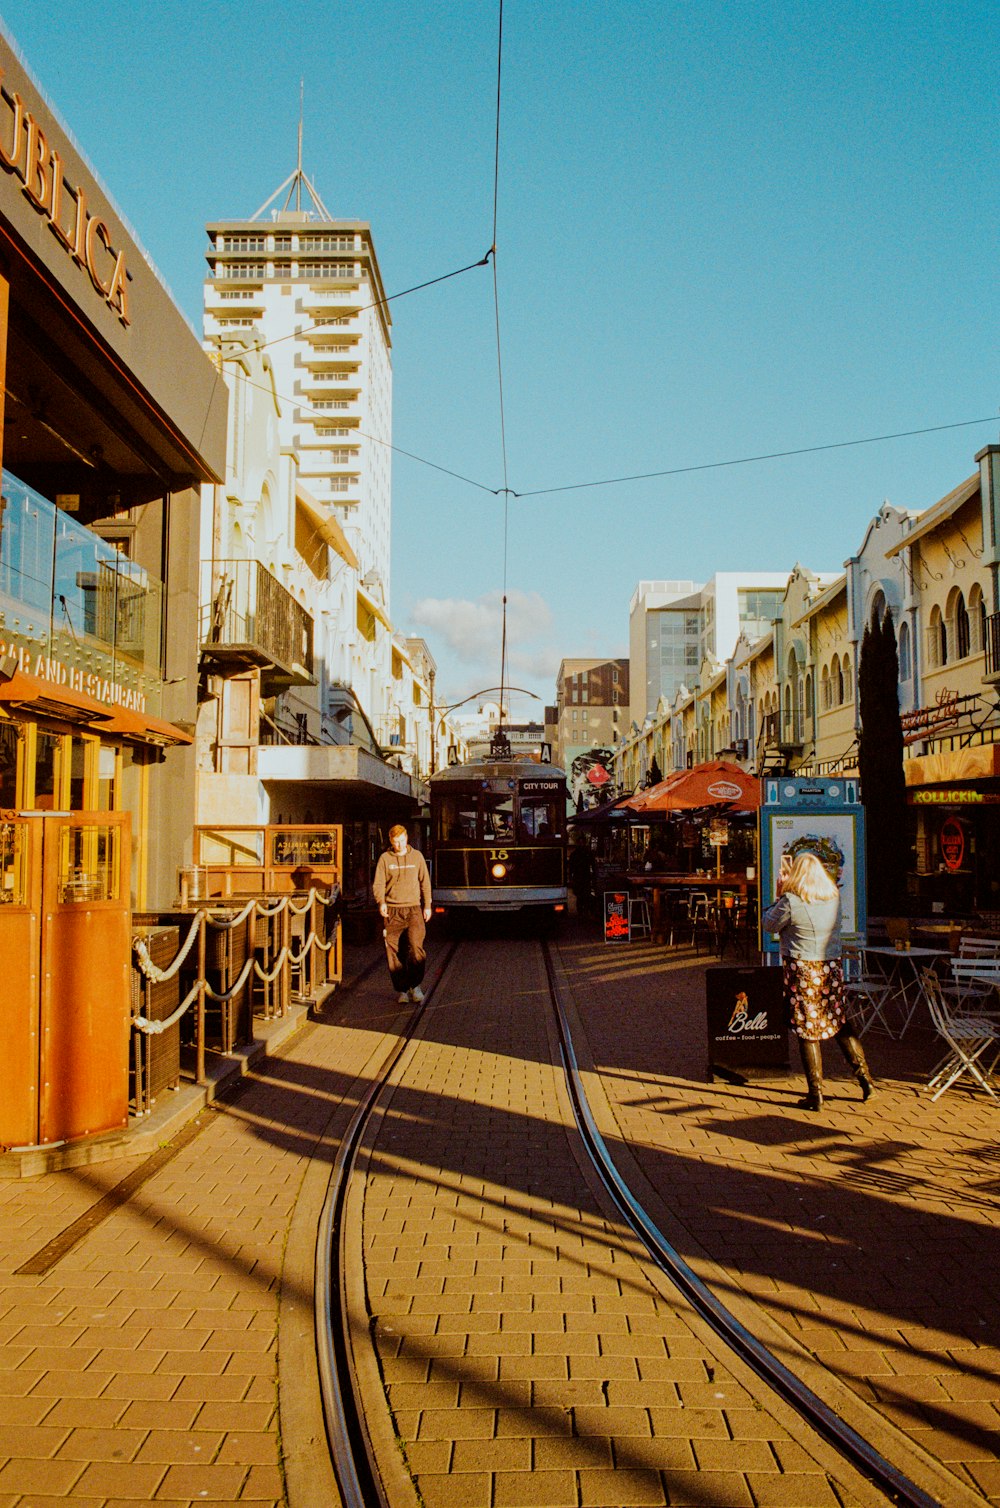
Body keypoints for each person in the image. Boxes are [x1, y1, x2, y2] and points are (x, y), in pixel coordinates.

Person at [762, 850, 876, 1112]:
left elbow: (769, 924)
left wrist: (779, 893)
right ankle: (866, 1081)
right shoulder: (833, 897)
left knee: (807, 1029)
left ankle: (816, 1094)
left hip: (802, 969)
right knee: (839, 1023)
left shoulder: (790, 900)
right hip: (831, 969)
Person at [372, 825, 432, 1004]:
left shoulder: (417, 856)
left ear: (407, 839)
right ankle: (403, 989)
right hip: (393, 911)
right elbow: (378, 884)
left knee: (415, 948)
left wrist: (427, 905)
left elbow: (425, 882)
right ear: (391, 841)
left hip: (413, 909)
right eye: (396, 842)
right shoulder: (385, 859)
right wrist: (381, 902)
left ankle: (416, 986)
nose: (400, 845)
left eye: (402, 841)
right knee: (393, 951)